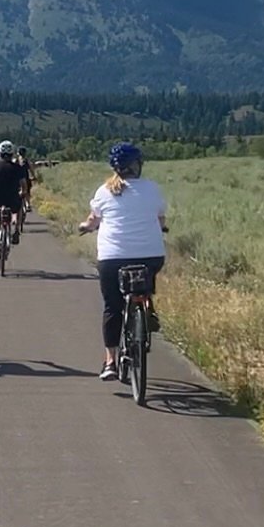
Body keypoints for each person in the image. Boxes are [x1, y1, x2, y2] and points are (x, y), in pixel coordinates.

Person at [79, 143, 167, 381]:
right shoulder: (151, 188)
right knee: (145, 277)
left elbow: (93, 220)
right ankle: (146, 305)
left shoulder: (104, 191)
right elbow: (160, 220)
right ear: (137, 166)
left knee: (112, 306)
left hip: (112, 259)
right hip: (151, 256)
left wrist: (86, 227)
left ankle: (110, 362)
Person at [0, 140, 29, 265]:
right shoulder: (17, 168)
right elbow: (23, 184)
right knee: (19, 207)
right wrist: (24, 192)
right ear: (12, 153)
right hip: (12, 199)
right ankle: (16, 230)